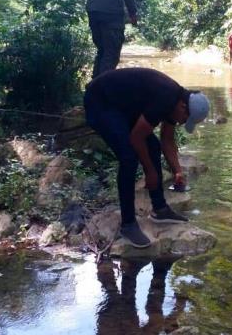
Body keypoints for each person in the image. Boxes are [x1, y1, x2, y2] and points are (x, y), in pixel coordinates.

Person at [84, 67, 210, 248]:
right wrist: (150, 171)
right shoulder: (165, 99)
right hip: (100, 102)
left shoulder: (178, 101)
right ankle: (128, 224)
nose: (183, 123)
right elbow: (136, 137)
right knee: (128, 157)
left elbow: (167, 140)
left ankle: (160, 209)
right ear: (183, 107)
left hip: (121, 105)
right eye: (185, 119)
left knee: (153, 146)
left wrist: (177, 170)